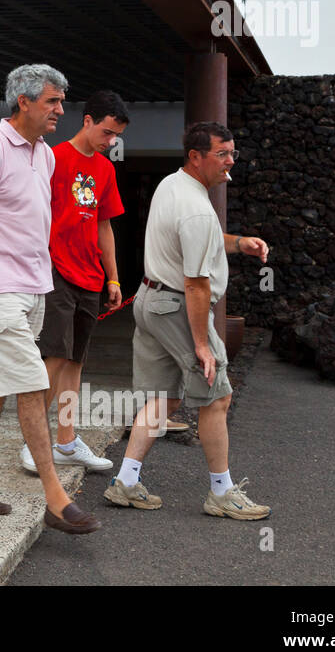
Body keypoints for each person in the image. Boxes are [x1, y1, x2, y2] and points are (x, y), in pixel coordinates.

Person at [0, 64, 101, 534]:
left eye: (61, 100)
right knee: (32, 383)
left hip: (35, 288)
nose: (60, 109)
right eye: (52, 101)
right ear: (23, 102)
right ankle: (55, 497)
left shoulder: (44, 155)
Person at [104, 121, 272, 519]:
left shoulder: (173, 184)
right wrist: (201, 344)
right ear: (196, 157)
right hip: (179, 306)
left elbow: (201, 241)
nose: (230, 161)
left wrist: (238, 243)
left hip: (149, 299)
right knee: (218, 397)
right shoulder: (196, 208)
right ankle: (221, 492)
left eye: (233, 152)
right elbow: (197, 286)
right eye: (222, 154)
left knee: (165, 397)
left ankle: (125, 482)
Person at [19, 90, 127, 476]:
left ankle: (66, 441)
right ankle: (35, 442)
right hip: (54, 269)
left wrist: (113, 277)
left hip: (90, 274)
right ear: (87, 120)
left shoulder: (105, 169)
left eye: (116, 135)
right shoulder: (52, 157)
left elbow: (104, 225)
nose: (110, 141)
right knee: (54, 356)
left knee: (76, 360)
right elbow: (28, 210)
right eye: (107, 131)